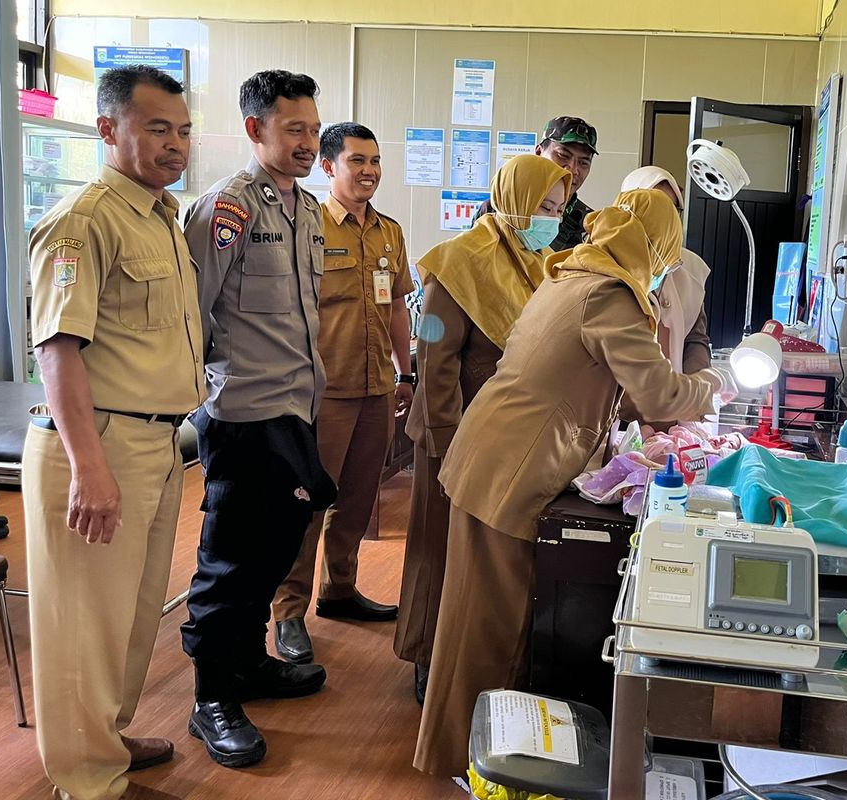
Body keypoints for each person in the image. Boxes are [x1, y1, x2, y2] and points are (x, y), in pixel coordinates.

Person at [413, 189, 738, 776]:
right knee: (490, 628)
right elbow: (661, 392)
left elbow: (601, 385)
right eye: (666, 253)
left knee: (473, 619)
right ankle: (476, 765)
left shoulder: (572, 275)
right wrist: (720, 381)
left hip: (495, 455)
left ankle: (466, 755)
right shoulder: (609, 296)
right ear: (652, 245)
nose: (668, 266)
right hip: (511, 468)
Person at [22, 65, 202, 800]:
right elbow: (57, 349)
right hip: (97, 444)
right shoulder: (83, 220)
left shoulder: (159, 216)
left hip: (155, 443)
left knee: (130, 613)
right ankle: (87, 779)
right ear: (108, 129)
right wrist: (88, 466)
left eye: (183, 130)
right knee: (84, 624)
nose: (174, 145)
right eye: (156, 128)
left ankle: (109, 733)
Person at [181, 69, 335, 768]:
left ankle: (246, 664)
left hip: (294, 410)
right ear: (255, 129)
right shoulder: (227, 208)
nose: (308, 141)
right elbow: (193, 317)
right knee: (229, 565)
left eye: (312, 128)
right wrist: (207, 398)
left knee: (274, 552)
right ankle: (211, 697)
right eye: (293, 129)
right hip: (243, 415)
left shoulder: (305, 209)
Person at [394, 154, 572, 706]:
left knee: (482, 557)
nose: (552, 219)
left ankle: (472, 655)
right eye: (544, 205)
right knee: (437, 545)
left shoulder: (542, 263)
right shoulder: (457, 260)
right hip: (451, 431)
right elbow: (435, 352)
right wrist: (446, 437)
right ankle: (427, 653)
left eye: (559, 209)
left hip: (504, 438)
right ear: (514, 197)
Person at [271, 122, 414, 664]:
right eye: (358, 161)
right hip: (321, 393)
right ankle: (288, 613)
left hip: (377, 387)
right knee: (307, 504)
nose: (370, 171)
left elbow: (398, 306)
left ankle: (339, 590)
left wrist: (407, 372)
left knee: (357, 498)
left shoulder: (389, 232)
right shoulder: (306, 225)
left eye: (375, 161)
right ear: (329, 166)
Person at [620, 166, 714, 433]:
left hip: (673, 413)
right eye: (654, 205)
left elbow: (696, 338)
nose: (664, 217)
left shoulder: (689, 270)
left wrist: (699, 382)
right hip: (615, 414)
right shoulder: (608, 266)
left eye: (672, 209)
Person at [475, 116, 597, 251]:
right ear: (539, 152)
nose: (572, 170)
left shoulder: (591, 225)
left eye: (583, 163)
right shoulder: (497, 209)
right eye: (563, 155)